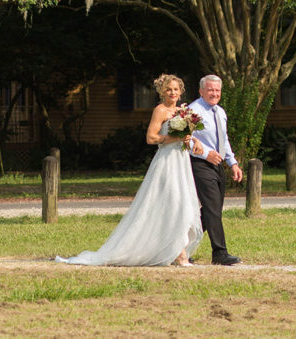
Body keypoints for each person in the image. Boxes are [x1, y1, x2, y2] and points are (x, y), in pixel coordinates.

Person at [56, 74, 203, 267]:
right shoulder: (160, 110)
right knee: (172, 203)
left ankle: (176, 251)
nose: (173, 93)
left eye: (176, 89)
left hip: (182, 161)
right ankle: (179, 254)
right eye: (168, 89)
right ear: (162, 92)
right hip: (167, 162)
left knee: (183, 204)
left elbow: (187, 135)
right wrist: (174, 139)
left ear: (181, 91)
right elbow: (151, 138)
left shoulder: (183, 112)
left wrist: (193, 140)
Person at [188, 74, 243, 265]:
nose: (214, 93)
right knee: (212, 208)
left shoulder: (220, 112)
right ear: (201, 91)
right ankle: (219, 253)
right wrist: (205, 155)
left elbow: (223, 139)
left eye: (217, 90)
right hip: (200, 164)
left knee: (213, 210)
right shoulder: (192, 111)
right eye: (210, 90)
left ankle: (180, 249)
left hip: (218, 164)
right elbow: (184, 140)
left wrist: (232, 163)